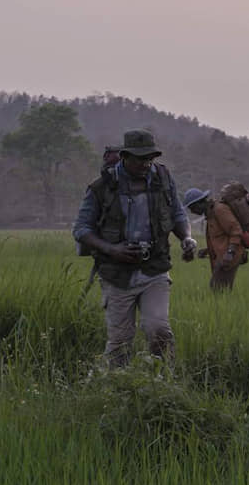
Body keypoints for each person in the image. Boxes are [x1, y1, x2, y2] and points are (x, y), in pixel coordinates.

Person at [73, 129, 197, 368]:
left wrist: (187, 239)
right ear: (124, 156)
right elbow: (81, 229)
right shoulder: (101, 187)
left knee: (158, 329)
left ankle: (165, 383)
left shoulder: (163, 178)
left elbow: (177, 214)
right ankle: (118, 389)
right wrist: (112, 250)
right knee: (120, 341)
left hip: (155, 269)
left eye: (149, 158)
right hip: (116, 274)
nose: (145, 163)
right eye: (140, 158)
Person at [183, 188, 246, 291]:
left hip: (229, 258)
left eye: (192, 207)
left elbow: (236, 231)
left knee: (218, 289)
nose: (192, 211)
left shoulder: (219, 210)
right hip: (223, 257)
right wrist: (207, 250)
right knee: (219, 290)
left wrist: (230, 252)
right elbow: (221, 238)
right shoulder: (210, 214)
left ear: (200, 203)